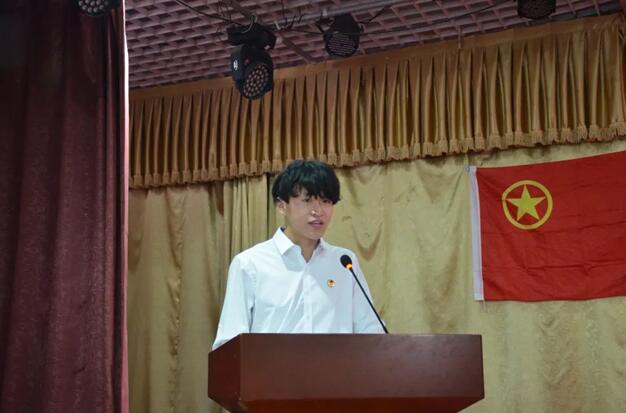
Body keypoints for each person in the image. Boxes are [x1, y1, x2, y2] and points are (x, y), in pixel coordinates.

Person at [212, 160, 384, 349]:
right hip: (271, 369)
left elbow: (371, 331)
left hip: (336, 368)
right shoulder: (250, 264)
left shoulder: (344, 263)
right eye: (307, 200)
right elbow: (229, 344)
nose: (318, 211)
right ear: (281, 205)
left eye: (326, 201)